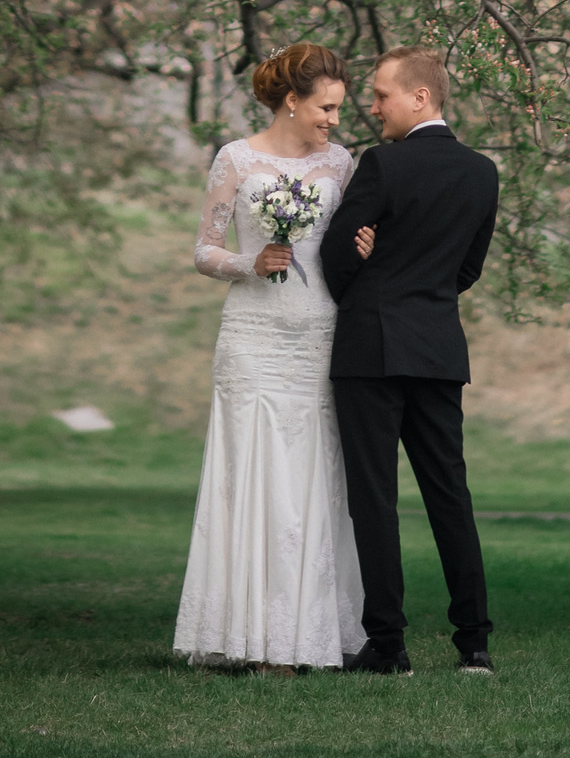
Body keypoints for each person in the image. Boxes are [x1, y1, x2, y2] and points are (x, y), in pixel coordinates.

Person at [174, 41, 367, 669]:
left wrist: (366, 244)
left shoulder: (341, 164)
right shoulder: (235, 158)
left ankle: (305, 637)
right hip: (251, 337)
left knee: (313, 481)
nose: (335, 119)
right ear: (292, 100)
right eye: (326, 107)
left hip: (318, 335)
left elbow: (348, 245)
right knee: (249, 479)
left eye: (339, 108)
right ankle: (247, 639)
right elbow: (204, 252)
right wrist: (249, 263)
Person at [320, 48, 500, 676]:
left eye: (381, 96)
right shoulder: (482, 173)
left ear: (420, 97)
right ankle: (474, 642)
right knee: (450, 493)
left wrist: (371, 265)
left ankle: (389, 646)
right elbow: (467, 269)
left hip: (370, 348)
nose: (372, 108)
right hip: (437, 347)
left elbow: (335, 259)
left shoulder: (382, 165)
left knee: (375, 498)